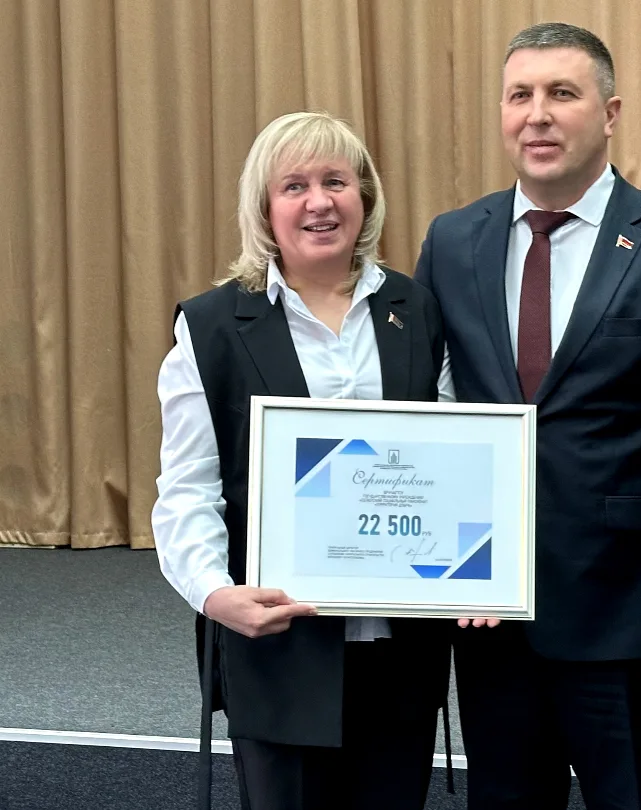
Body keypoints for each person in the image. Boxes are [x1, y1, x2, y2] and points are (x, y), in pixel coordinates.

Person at [415, 21, 641, 810]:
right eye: (519, 96)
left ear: (610, 112)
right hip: (487, 611)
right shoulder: (453, 240)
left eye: (562, 93)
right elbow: (426, 417)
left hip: (623, 610)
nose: (538, 115)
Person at [151, 111, 454, 810]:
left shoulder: (418, 311)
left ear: (365, 197)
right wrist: (214, 593)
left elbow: (450, 467)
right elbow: (188, 489)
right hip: (278, 649)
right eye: (294, 186)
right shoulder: (211, 327)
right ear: (265, 207)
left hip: (402, 651)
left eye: (336, 182)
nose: (319, 202)